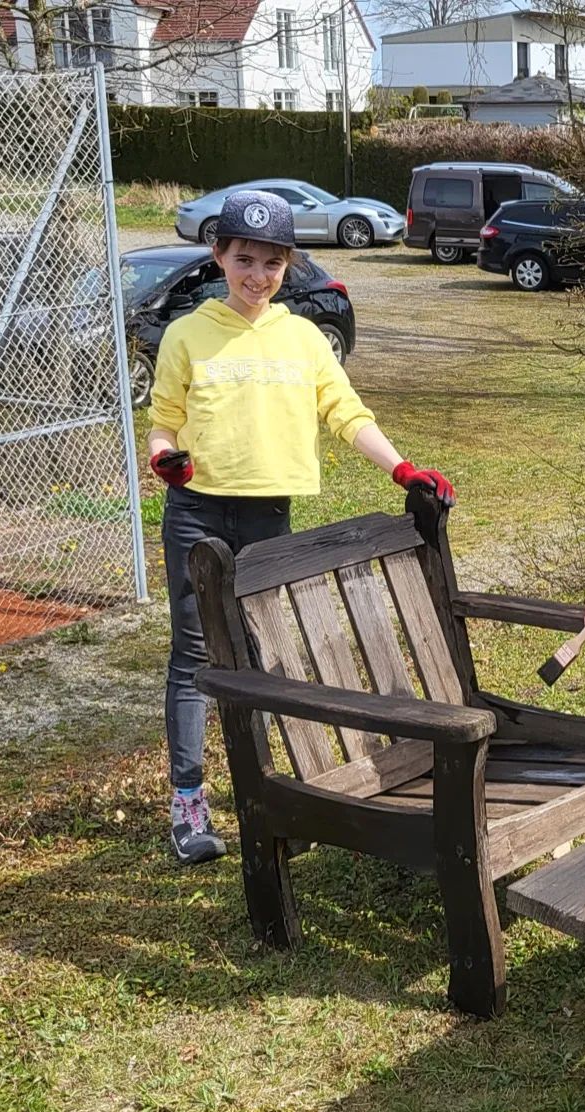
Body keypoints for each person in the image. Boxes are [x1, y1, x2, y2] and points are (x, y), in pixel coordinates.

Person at [148, 188, 453, 865]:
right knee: (196, 657)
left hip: (268, 514)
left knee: (264, 649)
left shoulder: (304, 339)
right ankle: (188, 805)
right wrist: (164, 458)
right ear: (218, 254)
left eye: (273, 264)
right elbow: (163, 419)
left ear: (289, 265)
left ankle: (276, 787)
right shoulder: (188, 334)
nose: (258, 277)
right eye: (245, 260)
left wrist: (403, 470)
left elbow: (346, 412)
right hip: (197, 512)